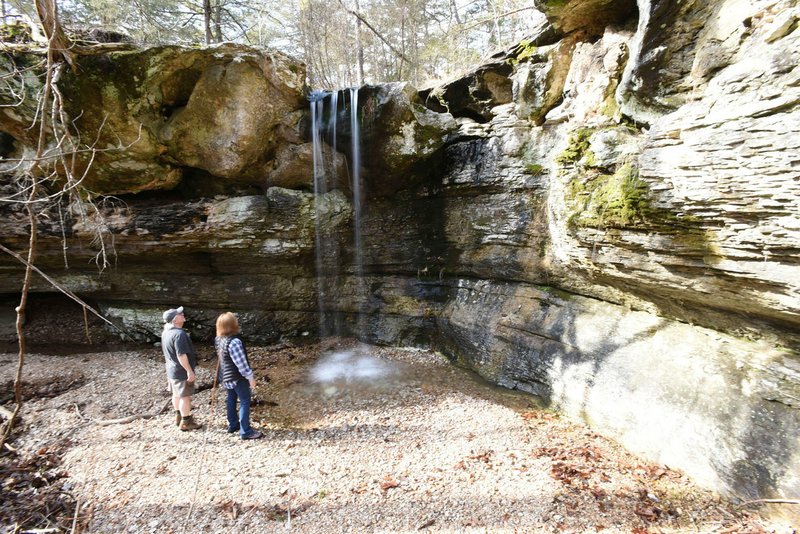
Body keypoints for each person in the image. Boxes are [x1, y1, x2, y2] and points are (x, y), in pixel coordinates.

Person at [215, 312, 262, 440]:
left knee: (231, 399)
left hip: (225, 376)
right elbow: (240, 363)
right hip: (237, 377)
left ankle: (233, 425)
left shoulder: (218, 339)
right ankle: (246, 431)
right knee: (245, 401)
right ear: (232, 325)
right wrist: (250, 377)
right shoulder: (234, 342)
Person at [161, 306, 202, 431]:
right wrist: (189, 371)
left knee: (176, 394)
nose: (183, 314)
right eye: (180, 314)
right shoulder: (180, 334)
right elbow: (181, 355)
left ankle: (178, 417)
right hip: (181, 371)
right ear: (175, 320)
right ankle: (186, 422)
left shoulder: (166, 332)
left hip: (171, 370)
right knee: (185, 396)